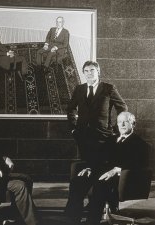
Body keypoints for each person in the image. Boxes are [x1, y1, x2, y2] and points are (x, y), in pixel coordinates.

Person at [65, 60, 128, 223]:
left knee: (100, 171)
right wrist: (74, 128)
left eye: (92, 70)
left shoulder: (108, 88)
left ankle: (101, 205)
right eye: (86, 70)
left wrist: (114, 129)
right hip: (83, 138)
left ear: (98, 72)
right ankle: (78, 212)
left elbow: (123, 108)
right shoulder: (79, 89)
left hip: (103, 138)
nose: (89, 73)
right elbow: (70, 109)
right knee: (86, 171)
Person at [88, 112, 149, 225]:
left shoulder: (140, 144)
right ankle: (72, 216)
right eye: (120, 122)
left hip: (123, 179)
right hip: (104, 173)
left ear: (133, 124)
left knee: (100, 185)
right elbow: (99, 157)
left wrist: (117, 170)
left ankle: (92, 221)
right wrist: (90, 168)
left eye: (126, 121)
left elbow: (140, 165)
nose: (122, 124)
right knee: (79, 179)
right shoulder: (111, 140)